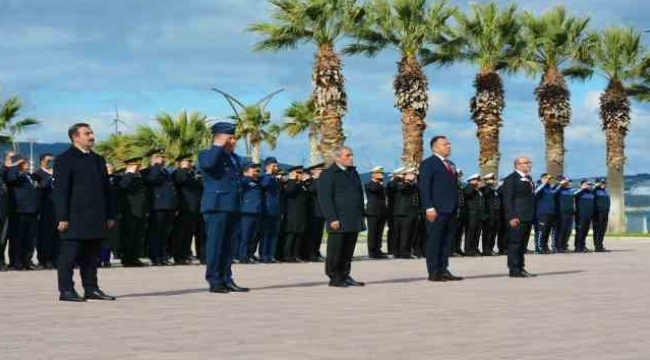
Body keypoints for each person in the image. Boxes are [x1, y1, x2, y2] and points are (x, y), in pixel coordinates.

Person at [53, 123, 116, 301]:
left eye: (92, 133)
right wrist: (62, 217)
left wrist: (110, 214)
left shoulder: (98, 159)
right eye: (87, 133)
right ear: (75, 137)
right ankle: (66, 290)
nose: (92, 136)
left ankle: (91, 288)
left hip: (96, 216)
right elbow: (60, 191)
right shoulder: (64, 159)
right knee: (69, 255)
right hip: (74, 217)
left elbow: (106, 190)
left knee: (92, 255)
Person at [199, 122, 248, 293]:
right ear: (220, 138)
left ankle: (227, 278)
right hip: (216, 206)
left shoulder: (234, 158)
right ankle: (214, 280)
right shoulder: (207, 154)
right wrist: (218, 145)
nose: (234, 141)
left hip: (233, 205)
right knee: (215, 244)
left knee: (229, 245)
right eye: (231, 138)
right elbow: (209, 165)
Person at [317, 145, 366, 288]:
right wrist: (332, 218)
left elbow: (357, 193)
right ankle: (334, 277)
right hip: (339, 218)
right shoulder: (328, 174)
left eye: (351, 155)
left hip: (353, 217)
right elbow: (325, 198)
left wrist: (361, 213)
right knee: (336, 250)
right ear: (337, 157)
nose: (351, 158)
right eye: (347, 155)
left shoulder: (353, 172)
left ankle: (345, 275)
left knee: (348, 250)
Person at [418, 135, 463, 282]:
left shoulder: (451, 164)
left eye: (449, 144)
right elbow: (424, 187)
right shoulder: (428, 163)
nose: (449, 146)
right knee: (435, 241)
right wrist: (429, 207)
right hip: (436, 209)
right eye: (445, 144)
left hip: (450, 209)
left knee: (446, 241)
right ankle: (434, 272)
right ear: (435, 147)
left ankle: (444, 269)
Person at [502, 156, 536, 278]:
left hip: (527, 216)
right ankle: (514, 269)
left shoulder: (529, 178)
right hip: (517, 217)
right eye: (526, 163)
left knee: (522, 244)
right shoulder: (511, 179)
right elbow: (507, 200)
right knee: (515, 243)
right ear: (517, 165)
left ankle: (521, 268)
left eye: (529, 162)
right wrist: (511, 216)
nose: (529, 165)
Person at [142, 149, 178, 266]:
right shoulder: (149, 171)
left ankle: (162, 255)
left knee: (165, 233)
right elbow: (151, 180)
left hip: (168, 206)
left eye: (163, 157)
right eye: (159, 157)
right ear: (153, 159)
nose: (162, 159)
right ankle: (155, 256)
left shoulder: (166, 171)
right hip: (157, 206)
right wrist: (156, 166)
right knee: (155, 233)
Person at [6, 156, 39, 270]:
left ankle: (27, 260)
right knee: (17, 238)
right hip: (19, 211)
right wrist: (15, 166)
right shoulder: (15, 174)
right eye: (25, 163)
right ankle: (16, 261)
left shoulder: (29, 176)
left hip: (32, 211)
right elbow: (11, 179)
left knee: (30, 238)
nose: (28, 164)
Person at [117, 156, 148, 267]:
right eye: (135, 165)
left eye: (138, 165)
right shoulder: (122, 176)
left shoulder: (140, 177)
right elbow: (122, 187)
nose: (137, 167)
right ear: (129, 165)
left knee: (138, 236)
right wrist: (130, 173)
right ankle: (127, 258)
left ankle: (135, 257)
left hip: (141, 210)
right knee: (128, 235)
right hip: (129, 211)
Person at [172, 155, 202, 265]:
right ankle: (178, 256)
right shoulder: (178, 173)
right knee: (180, 233)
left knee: (188, 233)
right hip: (183, 207)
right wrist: (184, 168)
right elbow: (181, 180)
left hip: (193, 208)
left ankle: (185, 255)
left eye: (190, 161)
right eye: (187, 161)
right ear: (180, 163)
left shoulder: (192, 174)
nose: (190, 163)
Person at [33, 153, 59, 269]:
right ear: (42, 161)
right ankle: (45, 259)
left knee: (56, 235)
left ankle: (55, 258)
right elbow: (38, 189)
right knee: (45, 235)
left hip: (57, 208)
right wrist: (49, 178)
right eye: (48, 161)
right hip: (45, 208)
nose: (50, 164)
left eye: (52, 161)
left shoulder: (57, 174)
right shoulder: (37, 173)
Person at [282, 165, 310, 262]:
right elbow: (290, 191)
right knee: (291, 235)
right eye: (298, 173)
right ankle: (287, 255)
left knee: (299, 235)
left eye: (301, 173)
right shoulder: (290, 183)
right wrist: (293, 179)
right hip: (292, 213)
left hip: (301, 213)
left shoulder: (301, 184)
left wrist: (303, 181)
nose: (300, 175)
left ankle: (295, 254)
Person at [237, 162, 263, 263]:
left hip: (256, 211)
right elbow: (240, 184)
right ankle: (242, 256)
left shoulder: (256, 182)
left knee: (253, 236)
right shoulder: (244, 180)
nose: (256, 171)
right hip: (246, 211)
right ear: (246, 171)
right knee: (245, 235)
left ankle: (249, 255)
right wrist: (244, 175)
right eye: (253, 169)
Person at [392, 168, 420, 259]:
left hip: (412, 212)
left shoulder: (413, 184)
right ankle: (403, 252)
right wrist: (406, 180)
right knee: (404, 234)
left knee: (409, 234)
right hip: (403, 212)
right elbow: (401, 188)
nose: (413, 175)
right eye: (411, 174)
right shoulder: (399, 183)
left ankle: (405, 251)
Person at [259, 157, 282, 263]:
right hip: (267, 209)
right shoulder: (264, 177)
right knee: (266, 233)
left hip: (276, 209)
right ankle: (264, 255)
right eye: (274, 166)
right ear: (268, 166)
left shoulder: (275, 178)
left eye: (276, 166)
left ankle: (271, 255)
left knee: (274, 233)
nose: (276, 168)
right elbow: (264, 185)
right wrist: (268, 173)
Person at [364, 166, 388, 259]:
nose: (381, 175)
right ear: (373, 174)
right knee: (373, 233)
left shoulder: (381, 185)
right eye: (379, 173)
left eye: (381, 173)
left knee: (379, 232)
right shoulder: (369, 184)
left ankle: (378, 249)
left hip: (381, 212)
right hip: (373, 212)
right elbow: (374, 189)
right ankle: (372, 251)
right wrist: (378, 181)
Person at [534, 174, 560, 254]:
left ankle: (545, 246)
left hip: (551, 213)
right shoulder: (539, 187)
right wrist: (543, 183)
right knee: (542, 231)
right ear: (542, 179)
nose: (549, 180)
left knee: (547, 231)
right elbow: (535, 192)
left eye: (550, 179)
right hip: (542, 213)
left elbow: (556, 191)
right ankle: (539, 248)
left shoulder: (550, 189)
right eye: (547, 178)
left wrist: (559, 184)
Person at [305, 163, 326, 262]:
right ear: (313, 170)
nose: (322, 171)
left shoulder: (321, 181)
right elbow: (312, 189)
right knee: (312, 235)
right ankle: (311, 253)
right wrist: (316, 179)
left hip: (321, 211)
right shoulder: (309, 181)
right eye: (320, 169)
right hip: (312, 212)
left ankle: (316, 252)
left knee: (319, 234)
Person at [462, 174, 484, 256]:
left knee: (477, 232)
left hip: (478, 214)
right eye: (477, 180)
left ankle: (474, 248)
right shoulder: (469, 188)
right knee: (470, 232)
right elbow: (467, 193)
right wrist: (471, 184)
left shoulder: (478, 191)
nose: (479, 182)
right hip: (471, 214)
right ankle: (468, 250)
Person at [480, 173, 500, 256]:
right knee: (487, 233)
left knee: (493, 233)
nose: (494, 181)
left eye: (493, 179)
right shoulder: (485, 188)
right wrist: (487, 183)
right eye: (491, 179)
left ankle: (491, 248)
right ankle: (486, 249)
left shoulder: (494, 190)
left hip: (495, 214)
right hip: (488, 214)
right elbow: (485, 194)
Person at [555, 176, 576, 253]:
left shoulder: (569, 190)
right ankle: (558, 247)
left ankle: (564, 246)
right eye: (566, 182)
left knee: (568, 231)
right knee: (561, 230)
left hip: (570, 213)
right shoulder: (558, 190)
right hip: (561, 213)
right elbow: (554, 192)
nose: (567, 183)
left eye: (568, 182)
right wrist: (560, 184)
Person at [574, 180, 595, 253]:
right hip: (580, 215)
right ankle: (578, 247)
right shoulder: (579, 192)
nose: (589, 186)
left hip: (589, 215)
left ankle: (583, 246)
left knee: (585, 232)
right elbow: (573, 195)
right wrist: (582, 188)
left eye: (589, 185)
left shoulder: (591, 193)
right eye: (587, 184)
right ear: (582, 184)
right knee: (580, 232)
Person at [592, 179, 610, 252]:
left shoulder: (605, 192)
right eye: (602, 183)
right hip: (598, 213)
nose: (603, 184)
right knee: (597, 230)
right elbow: (591, 192)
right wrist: (596, 186)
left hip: (605, 213)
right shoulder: (595, 191)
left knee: (603, 229)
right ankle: (597, 246)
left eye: (604, 183)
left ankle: (600, 244)